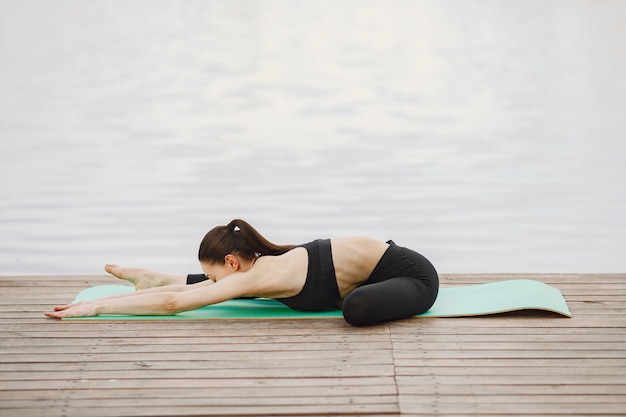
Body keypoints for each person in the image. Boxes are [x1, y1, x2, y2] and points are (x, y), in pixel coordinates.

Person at [45, 219, 439, 326]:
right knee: (234, 289)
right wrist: (110, 299)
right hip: (368, 273)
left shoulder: (256, 276)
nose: (213, 285)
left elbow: (173, 306)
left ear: (233, 262)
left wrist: (93, 309)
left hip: (411, 275)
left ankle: (156, 278)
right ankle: (153, 274)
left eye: (215, 276)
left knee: (357, 308)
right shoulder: (257, 267)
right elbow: (181, 295)